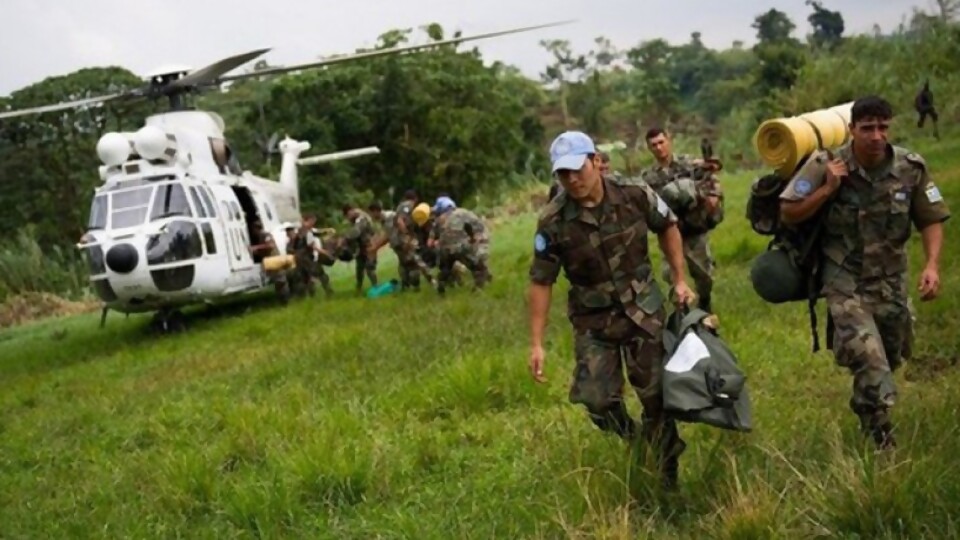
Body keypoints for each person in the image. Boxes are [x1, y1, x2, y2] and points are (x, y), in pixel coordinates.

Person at [779, 95, 950, 450]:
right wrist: (827, 189)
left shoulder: (910, 167)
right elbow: (789, 212)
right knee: (870, 360)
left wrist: (932, 265)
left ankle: (865, 406)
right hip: (845, 281)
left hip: (891, 281)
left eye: (883, 127)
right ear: (852, 129)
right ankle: (881, 438)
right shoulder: (827, 164)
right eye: (868, 128)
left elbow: (931, 218)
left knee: (890, 357)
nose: (876, 135)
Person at [528, 130, 695, 489]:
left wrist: (679, 279)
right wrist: (537, 343)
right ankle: (633, 438)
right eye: (562, 173)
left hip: (643, 311)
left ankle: (667, 477)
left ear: (594, 162)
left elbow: (668, 226)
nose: (572, 179)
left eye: (577, 169)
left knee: (657, 400)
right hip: (594, 322)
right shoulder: (553, 220)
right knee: (597, 401)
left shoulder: (633, 194)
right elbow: (541, 280)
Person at [641, 128, 723, 313]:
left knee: (703, 274)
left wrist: (712, 197)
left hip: (693, 228)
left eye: (661, 142)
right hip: (669, 230)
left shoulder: (689, 164)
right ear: (649, 148)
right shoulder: (649, 177)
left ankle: (705, 302)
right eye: (654, 145)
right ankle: (683, 311)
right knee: (671, 274)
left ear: (669, 141)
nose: (658, 148)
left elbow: (711, 174)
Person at [429, 196, 490, 294]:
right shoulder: (462, 213)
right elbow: (469, 227)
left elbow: (434, 239)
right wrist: (472, 238)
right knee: (478, 267)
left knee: (446, 268)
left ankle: (441, 286)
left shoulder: (439, 220)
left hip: (444, 249)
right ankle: (478, 289)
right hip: (459, 247)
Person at [249, 220, 291, 304]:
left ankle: (286, 300)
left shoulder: (265, 235)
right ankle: (282, 300)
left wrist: (256, 247)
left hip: (274, 259)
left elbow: (270, 245)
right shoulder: (261, 236)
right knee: (277, 281)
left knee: (281, 280)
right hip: (270, 260)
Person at [341, 203, 379, 293]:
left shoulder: (361, 218)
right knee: (359, 268)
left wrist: (344, 239)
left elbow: (356, 232)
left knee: (369, 268)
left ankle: (376, 287)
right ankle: (359, 288)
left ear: (351, 211)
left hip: (369, 245)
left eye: (347, 215)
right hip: (361, 246)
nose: (348, 218)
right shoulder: (356, 219)